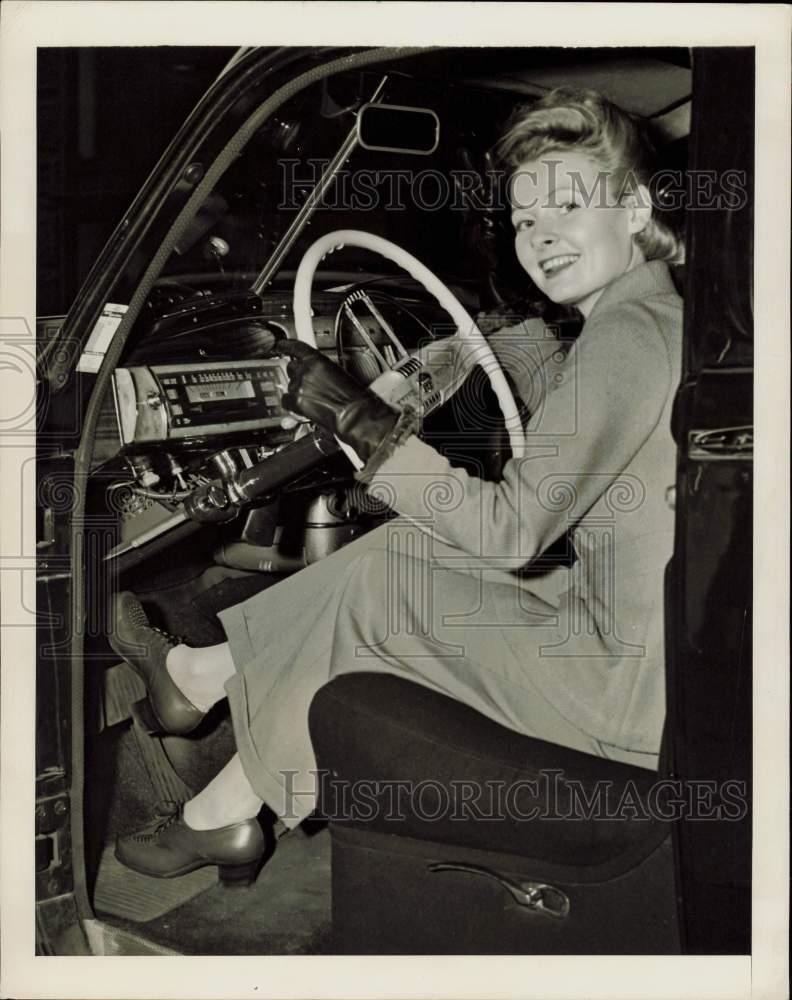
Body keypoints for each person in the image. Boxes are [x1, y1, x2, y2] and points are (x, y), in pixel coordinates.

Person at [110, 87, 684, 884]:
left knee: (384, 598)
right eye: (523, 220)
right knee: (402, 556)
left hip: (621, 696)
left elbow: (512, 532)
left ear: (633, 208)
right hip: (642, 656)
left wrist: (361, 420)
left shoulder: (624, 337)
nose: (541, 236)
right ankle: (206, 718)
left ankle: (220, 780)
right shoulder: (656, 318)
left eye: (566, 205)